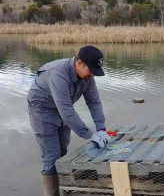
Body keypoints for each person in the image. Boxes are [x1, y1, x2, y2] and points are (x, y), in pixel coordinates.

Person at [27, 45, 112, 196]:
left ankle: (62, 189)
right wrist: (90, 135)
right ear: (79, 62)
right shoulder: (58, 74)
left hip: (62, 108)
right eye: (90, 70)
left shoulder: (87, 77)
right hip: (42, 109)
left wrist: (101, 129)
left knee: (63, 153)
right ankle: (51, 193)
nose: (92, 75)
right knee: (51, 157)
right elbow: (66, 111)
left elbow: (94, 102)